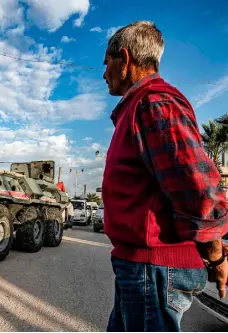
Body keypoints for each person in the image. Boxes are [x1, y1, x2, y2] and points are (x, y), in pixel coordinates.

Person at [102, 21, 228, 332]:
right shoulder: (139, 106)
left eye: (107, 64)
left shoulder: (154, 103)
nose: (104, 73)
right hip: (142, 267)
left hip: (155, 268)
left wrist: (215, 257)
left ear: (126, 58)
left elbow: (197, 187)